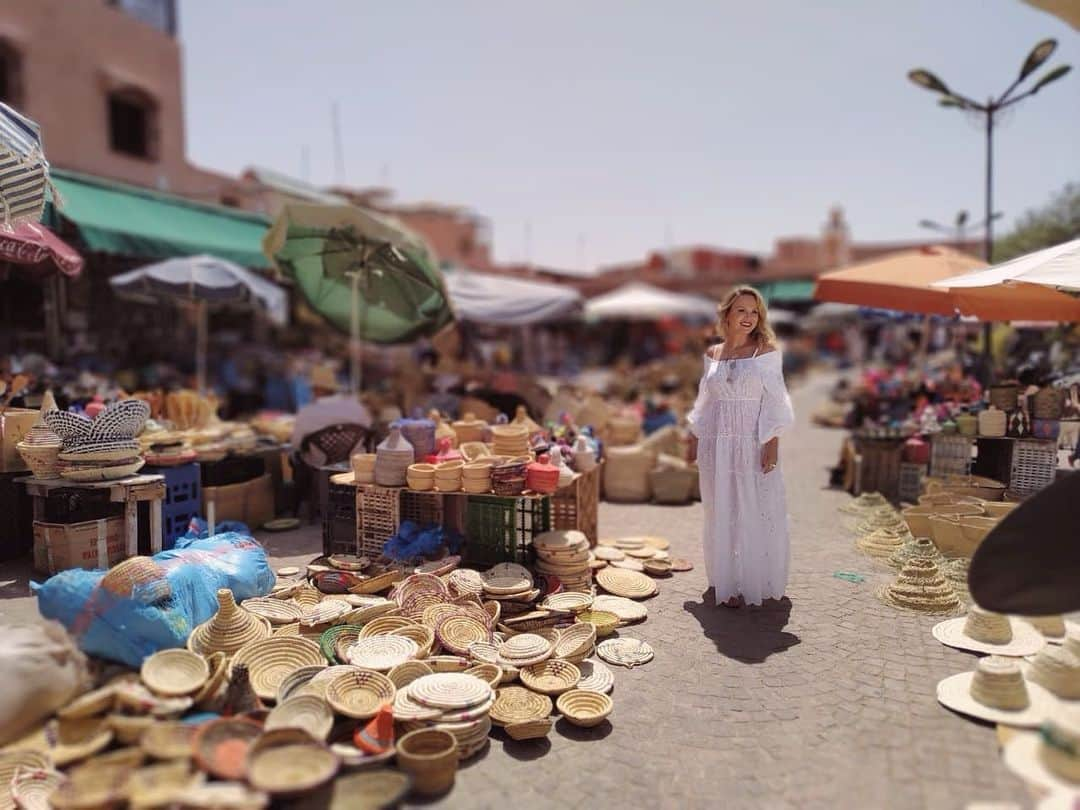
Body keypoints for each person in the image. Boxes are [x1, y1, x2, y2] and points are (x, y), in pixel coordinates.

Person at [687, 286, 795, 608]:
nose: (748, 317)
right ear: (728, 314)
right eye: (741, 311)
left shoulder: (765, 352)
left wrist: (771, 445)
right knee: (721, 510)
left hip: (751, 442)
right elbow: (704, 404)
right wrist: (693, 440)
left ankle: (753, 581)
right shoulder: (712, 355)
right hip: (717, 446)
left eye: (754, 311)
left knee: (753, 508)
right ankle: (727, 582)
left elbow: (775, 401)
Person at [290, 364, 373, 465]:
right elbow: (368, 431)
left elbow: (296, 445)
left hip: (318, 470)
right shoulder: (357, 406)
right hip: (353, 466)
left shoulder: (306, 412)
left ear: (315, 389)